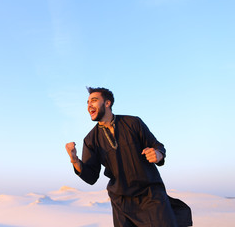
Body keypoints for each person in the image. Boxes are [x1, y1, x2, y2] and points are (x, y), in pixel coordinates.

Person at [65, 87, 192, 227]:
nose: (89, 105)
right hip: (121, 202)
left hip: (150, 195)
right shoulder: (90, 140)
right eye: (87, 102)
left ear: (107, 103)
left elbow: (157, 146)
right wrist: (75, 160)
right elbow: (91, 176)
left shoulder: (133, 123)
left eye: (94, 101)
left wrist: (158, 154)